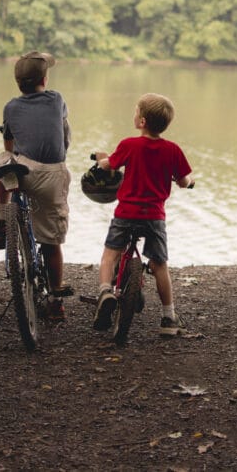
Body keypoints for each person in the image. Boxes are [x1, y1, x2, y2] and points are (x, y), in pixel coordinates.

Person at [92, 92, 195, 337]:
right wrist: (190, 182)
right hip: (154, 217)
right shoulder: (173, 150)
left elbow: (109, 165)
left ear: (142, 122)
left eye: (136, 112)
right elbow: (183, 180)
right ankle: (169, 317)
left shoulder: (129, 145)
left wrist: (101, 159)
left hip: (126, 212)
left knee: (110, 254)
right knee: (160, 265)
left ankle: (105, 291)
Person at [0, 51, 72, 321]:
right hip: (53, 174)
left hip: (23, 172)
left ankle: (2, 220)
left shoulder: (10, 107)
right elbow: (65, 136)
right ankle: (56, 299)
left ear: (17, 83)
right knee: (51, 242)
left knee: (3, 162)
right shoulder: (57, 99)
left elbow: (9, 146)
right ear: (45, 80)